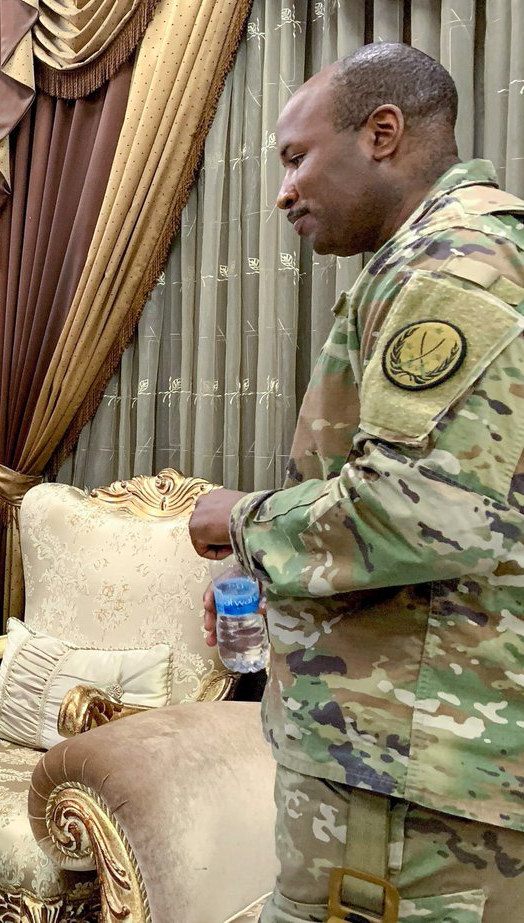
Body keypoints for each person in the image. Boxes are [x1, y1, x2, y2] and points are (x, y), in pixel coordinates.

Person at [188, 43, 524, 923]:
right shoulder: (448, 254)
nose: (284, 192)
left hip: (412, 784)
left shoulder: (451, 267)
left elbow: (421, 509)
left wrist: (242, 520)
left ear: (382, 133)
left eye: (296, 157)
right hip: (414, 759)